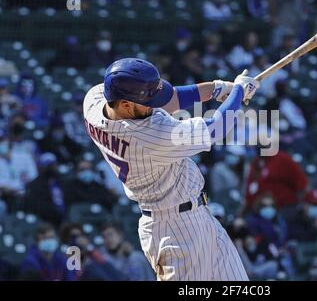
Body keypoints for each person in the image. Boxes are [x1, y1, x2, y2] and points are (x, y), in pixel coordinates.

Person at [83, 57, 260, 280]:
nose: (154, 103)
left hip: (197, 215)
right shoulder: (150, 137)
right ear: (126, 105)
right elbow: (215, 128)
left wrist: (217, 88)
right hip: (175, 231)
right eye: (148, 100)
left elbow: (171, 98)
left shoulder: (95, 101)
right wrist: (238, 93)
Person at [24, 153, 67, 226]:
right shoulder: (35, 185)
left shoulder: (63, 181)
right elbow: (40, 206)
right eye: (50, 165)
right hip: (47, 219)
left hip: (66, 216)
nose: (54, 167)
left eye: (54, 164)